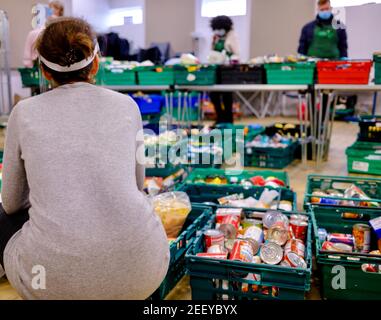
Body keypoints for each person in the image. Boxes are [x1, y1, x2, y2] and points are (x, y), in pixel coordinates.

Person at [0, 17, 169, 300]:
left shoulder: (24, 113)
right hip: (144, 271)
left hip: (50, 283)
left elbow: (12, 201)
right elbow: (137, 185)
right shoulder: (128, 107)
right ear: (96, 63)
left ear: (43, 70)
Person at [209, 15, 240, 124]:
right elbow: (212, 52)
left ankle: (228, 120)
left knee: (227, 96)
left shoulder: (232, 36)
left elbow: (237, 54)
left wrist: (229, 59)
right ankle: (220, 117)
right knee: (214, 95)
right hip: (216, 69)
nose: (218, 31)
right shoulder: (215, 37)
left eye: (220, 28)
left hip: (228, 70)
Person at [23, 1, 65, 68]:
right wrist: (27, 62)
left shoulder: (63, 29)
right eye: (50, 8)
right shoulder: (35, 32)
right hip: (40, 61)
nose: (52, 10)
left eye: (55, 8)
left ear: (60, 11)